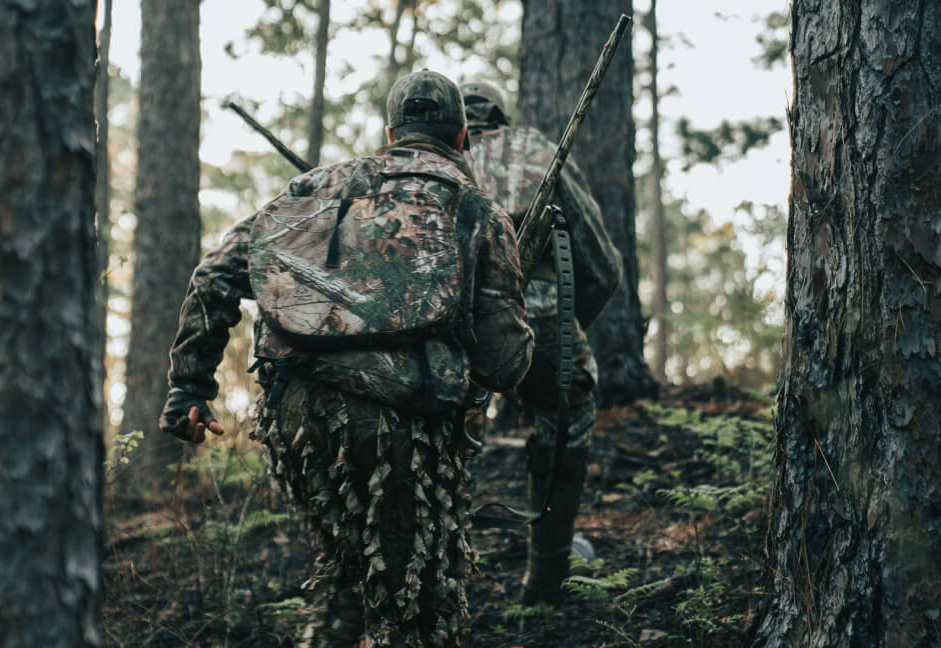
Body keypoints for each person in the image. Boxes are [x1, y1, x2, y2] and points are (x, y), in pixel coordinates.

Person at [159, 70, 533, 647]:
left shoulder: (313, 188)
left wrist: (189, 388)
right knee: (416, 609)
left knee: (346, 576)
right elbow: (506, 365)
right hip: (401, 434)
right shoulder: (477, 211)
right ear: (462, 137)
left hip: (296, 424)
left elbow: (214, 275)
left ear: (389, 131)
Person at [459, 77, 624, 605]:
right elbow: (600, 263)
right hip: (541, 319)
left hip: (445, 332)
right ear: (500, 116)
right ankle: (547, 574)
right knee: (564, 420)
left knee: (437, 447)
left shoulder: (428, 161)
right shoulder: (533, 150)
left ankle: (437, 578)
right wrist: (565, 327)